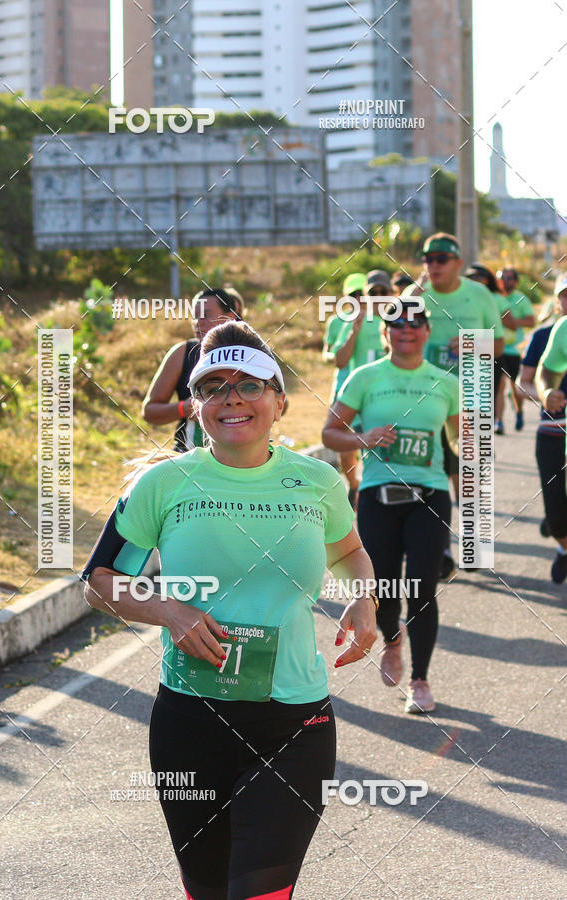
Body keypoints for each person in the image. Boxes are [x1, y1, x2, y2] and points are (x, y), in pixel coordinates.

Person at [83, 320, 378, 900]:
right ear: (195, 408)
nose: (232, 397)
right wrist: (169, 611)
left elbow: (351, 553)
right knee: (210, 890)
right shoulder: (162, 484)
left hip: (293, 721)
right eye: (214, 386)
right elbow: (99, 582)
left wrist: (363, 602)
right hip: (190, 724)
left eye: (249, 383)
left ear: (279, 400)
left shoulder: (316, 481)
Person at [322, 301, 460, 714]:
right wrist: (363, 438)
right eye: (396, 324)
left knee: (422, 585)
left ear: (426, 331)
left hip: (430, 496)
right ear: (385, 334)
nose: (405, 330)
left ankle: (420, 681)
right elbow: (330, 433)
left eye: (414, 323)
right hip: (379, 497)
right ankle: (393, 641)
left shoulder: (445, 382)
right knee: (379, 587)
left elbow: (465, 441)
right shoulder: (366, 378)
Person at [403, 234, 504, 580]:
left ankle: (474, 542)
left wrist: (473, 343)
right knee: (431, 475)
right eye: (428, 259)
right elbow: (395, 324)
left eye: (441, 259)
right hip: (426, 397)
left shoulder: (478, 294)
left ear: (458, 262)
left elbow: (501, 343)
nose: (433, 265)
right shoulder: (418, 295)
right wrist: (415, 291)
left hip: (471, 396)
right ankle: (441, 548)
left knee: (467, 474)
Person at [142, 287, 244, 452]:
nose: (199, 322)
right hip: (188, 457)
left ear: (230, 317)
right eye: (195, 317)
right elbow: (149, 411)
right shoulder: (182, 353)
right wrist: (185, 408)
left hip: (241, 458)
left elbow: (281, 402)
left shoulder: (251, 353)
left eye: (206, 315)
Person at [532, 276, 567, 583]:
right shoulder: (562, 329)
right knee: (557, 520)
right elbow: (545, 371)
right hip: (556, 430)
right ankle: (563, 546)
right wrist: (545, 392)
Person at [322, 272, 365, 507]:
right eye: (353, 294)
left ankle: (368, 490)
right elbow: (328, 352)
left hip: (371, 390)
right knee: (345, 444)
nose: (358, 299)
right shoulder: (337, 321)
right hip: (343, 389)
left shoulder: (380, 319)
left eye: (363, 294)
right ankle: (353, 484)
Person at [464, 263, 519, 429]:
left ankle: (494, 424)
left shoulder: (497, 299)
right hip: (465, 351)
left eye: (480, 277)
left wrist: (490, 315)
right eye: (471, 277)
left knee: (491, 393)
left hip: (492, 349)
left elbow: (512, 324)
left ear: (488, 280)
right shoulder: (461, 297)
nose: (476, 280)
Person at [495, 267, 535, 434]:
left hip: (515, 350)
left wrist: (511, 321)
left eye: (509, 278)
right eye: (501, 277)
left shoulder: (521, 299)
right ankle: (499, 421)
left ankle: (519, 412)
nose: (505, 281)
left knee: (514, 385)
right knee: (499, 385)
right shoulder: (493, 298)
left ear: (516, 282)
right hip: (497, 348)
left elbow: (531, 321)